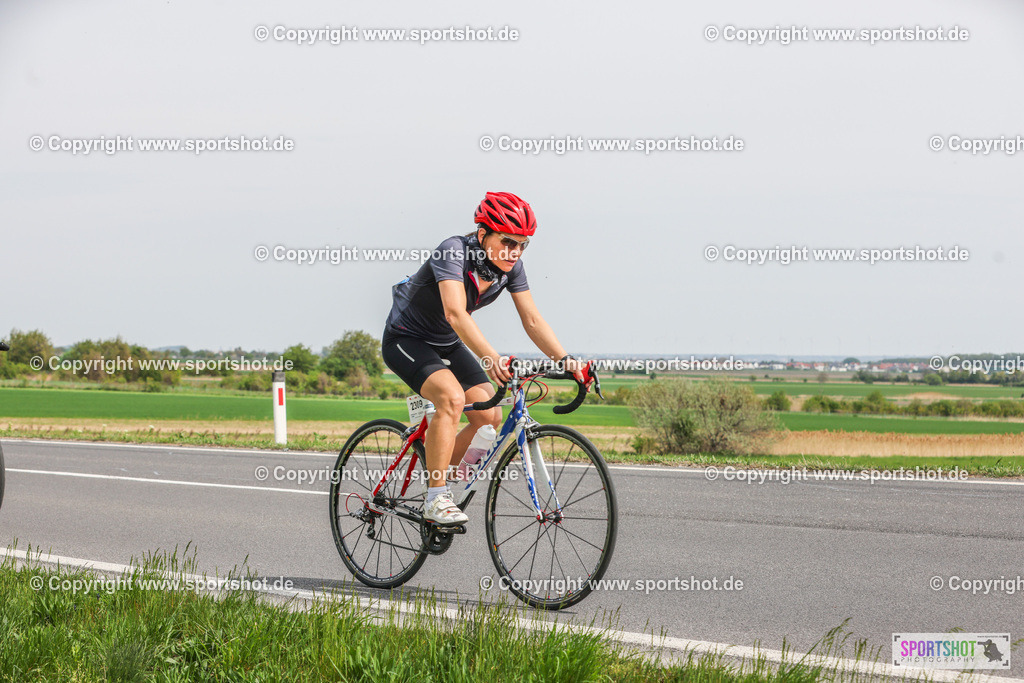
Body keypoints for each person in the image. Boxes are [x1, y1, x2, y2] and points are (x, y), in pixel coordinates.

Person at [381, 191, 586, 526]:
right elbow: (455, 313)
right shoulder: (453, 251)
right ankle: (435, 498)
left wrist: (568, 361)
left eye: (523, 244)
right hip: (406, 338)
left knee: (489, 416)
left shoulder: (511, 267)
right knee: (451, 397)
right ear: (482, 235)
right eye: (508, 241)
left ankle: (437, 469)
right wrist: (491, 358)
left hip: (447, 343)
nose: (515, 251)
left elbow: (532, 320)